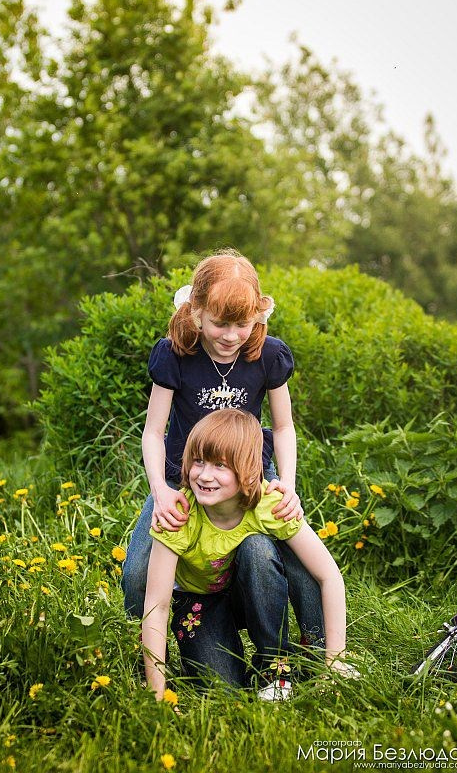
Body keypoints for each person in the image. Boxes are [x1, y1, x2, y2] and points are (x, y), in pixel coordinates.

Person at [123, 249, 324, 646]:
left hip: (250, 470)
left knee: (297, 557)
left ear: (257, 317)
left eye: (242, 325)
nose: (231, 336)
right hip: (183, 475)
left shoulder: (268, 353)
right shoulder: (175, 352)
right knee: (138, 570)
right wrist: (160, 491)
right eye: (220, 324)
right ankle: (140, 645)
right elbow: (152, 432)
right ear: (197, 311)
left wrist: (287, 482)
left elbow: (283, 427)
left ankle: (316, 647)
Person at [142, 409, 350, 700]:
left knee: (258, 548)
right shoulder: (178, 515)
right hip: (200, 601)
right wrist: (157, 693)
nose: (204, 475)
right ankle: (221, 657)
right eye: (199, 461)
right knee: (222, 692)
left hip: (254, 591)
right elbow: (157, 606)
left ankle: (275, 669)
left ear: (248, 470)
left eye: (220, 465)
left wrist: (335, 660)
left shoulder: (270, 504)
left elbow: (329, 576)